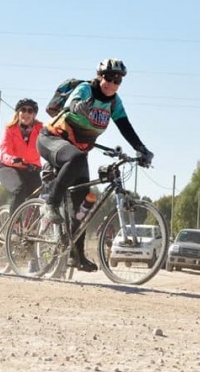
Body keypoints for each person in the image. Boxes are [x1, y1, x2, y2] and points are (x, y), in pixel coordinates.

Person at [37, 59, 154, 272]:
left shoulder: (114, 102)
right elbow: (72, 103)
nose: (112, 82)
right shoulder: (86, 89)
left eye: (117, 79)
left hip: (76, 151)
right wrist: (77, 107)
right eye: (108, 77)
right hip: (51, 139)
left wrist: (141, 148)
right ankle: (50, 203)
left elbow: (125, 127)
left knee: (82, 206)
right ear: (100, 76)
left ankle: (77, 255)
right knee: (78, 158)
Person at [0, 98, 43, 214]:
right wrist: (13, 160)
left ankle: (30, 229)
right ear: (18, 112)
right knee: (20, 189)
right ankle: (14, 225)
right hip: (8, 167)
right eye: (23, 110)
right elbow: (4, 150)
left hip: (30, 169)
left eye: (30, 111)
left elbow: (50, 144)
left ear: (34, 114)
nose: (26, 113)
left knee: (37, 198)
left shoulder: (41, 130)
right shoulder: (10, 129)